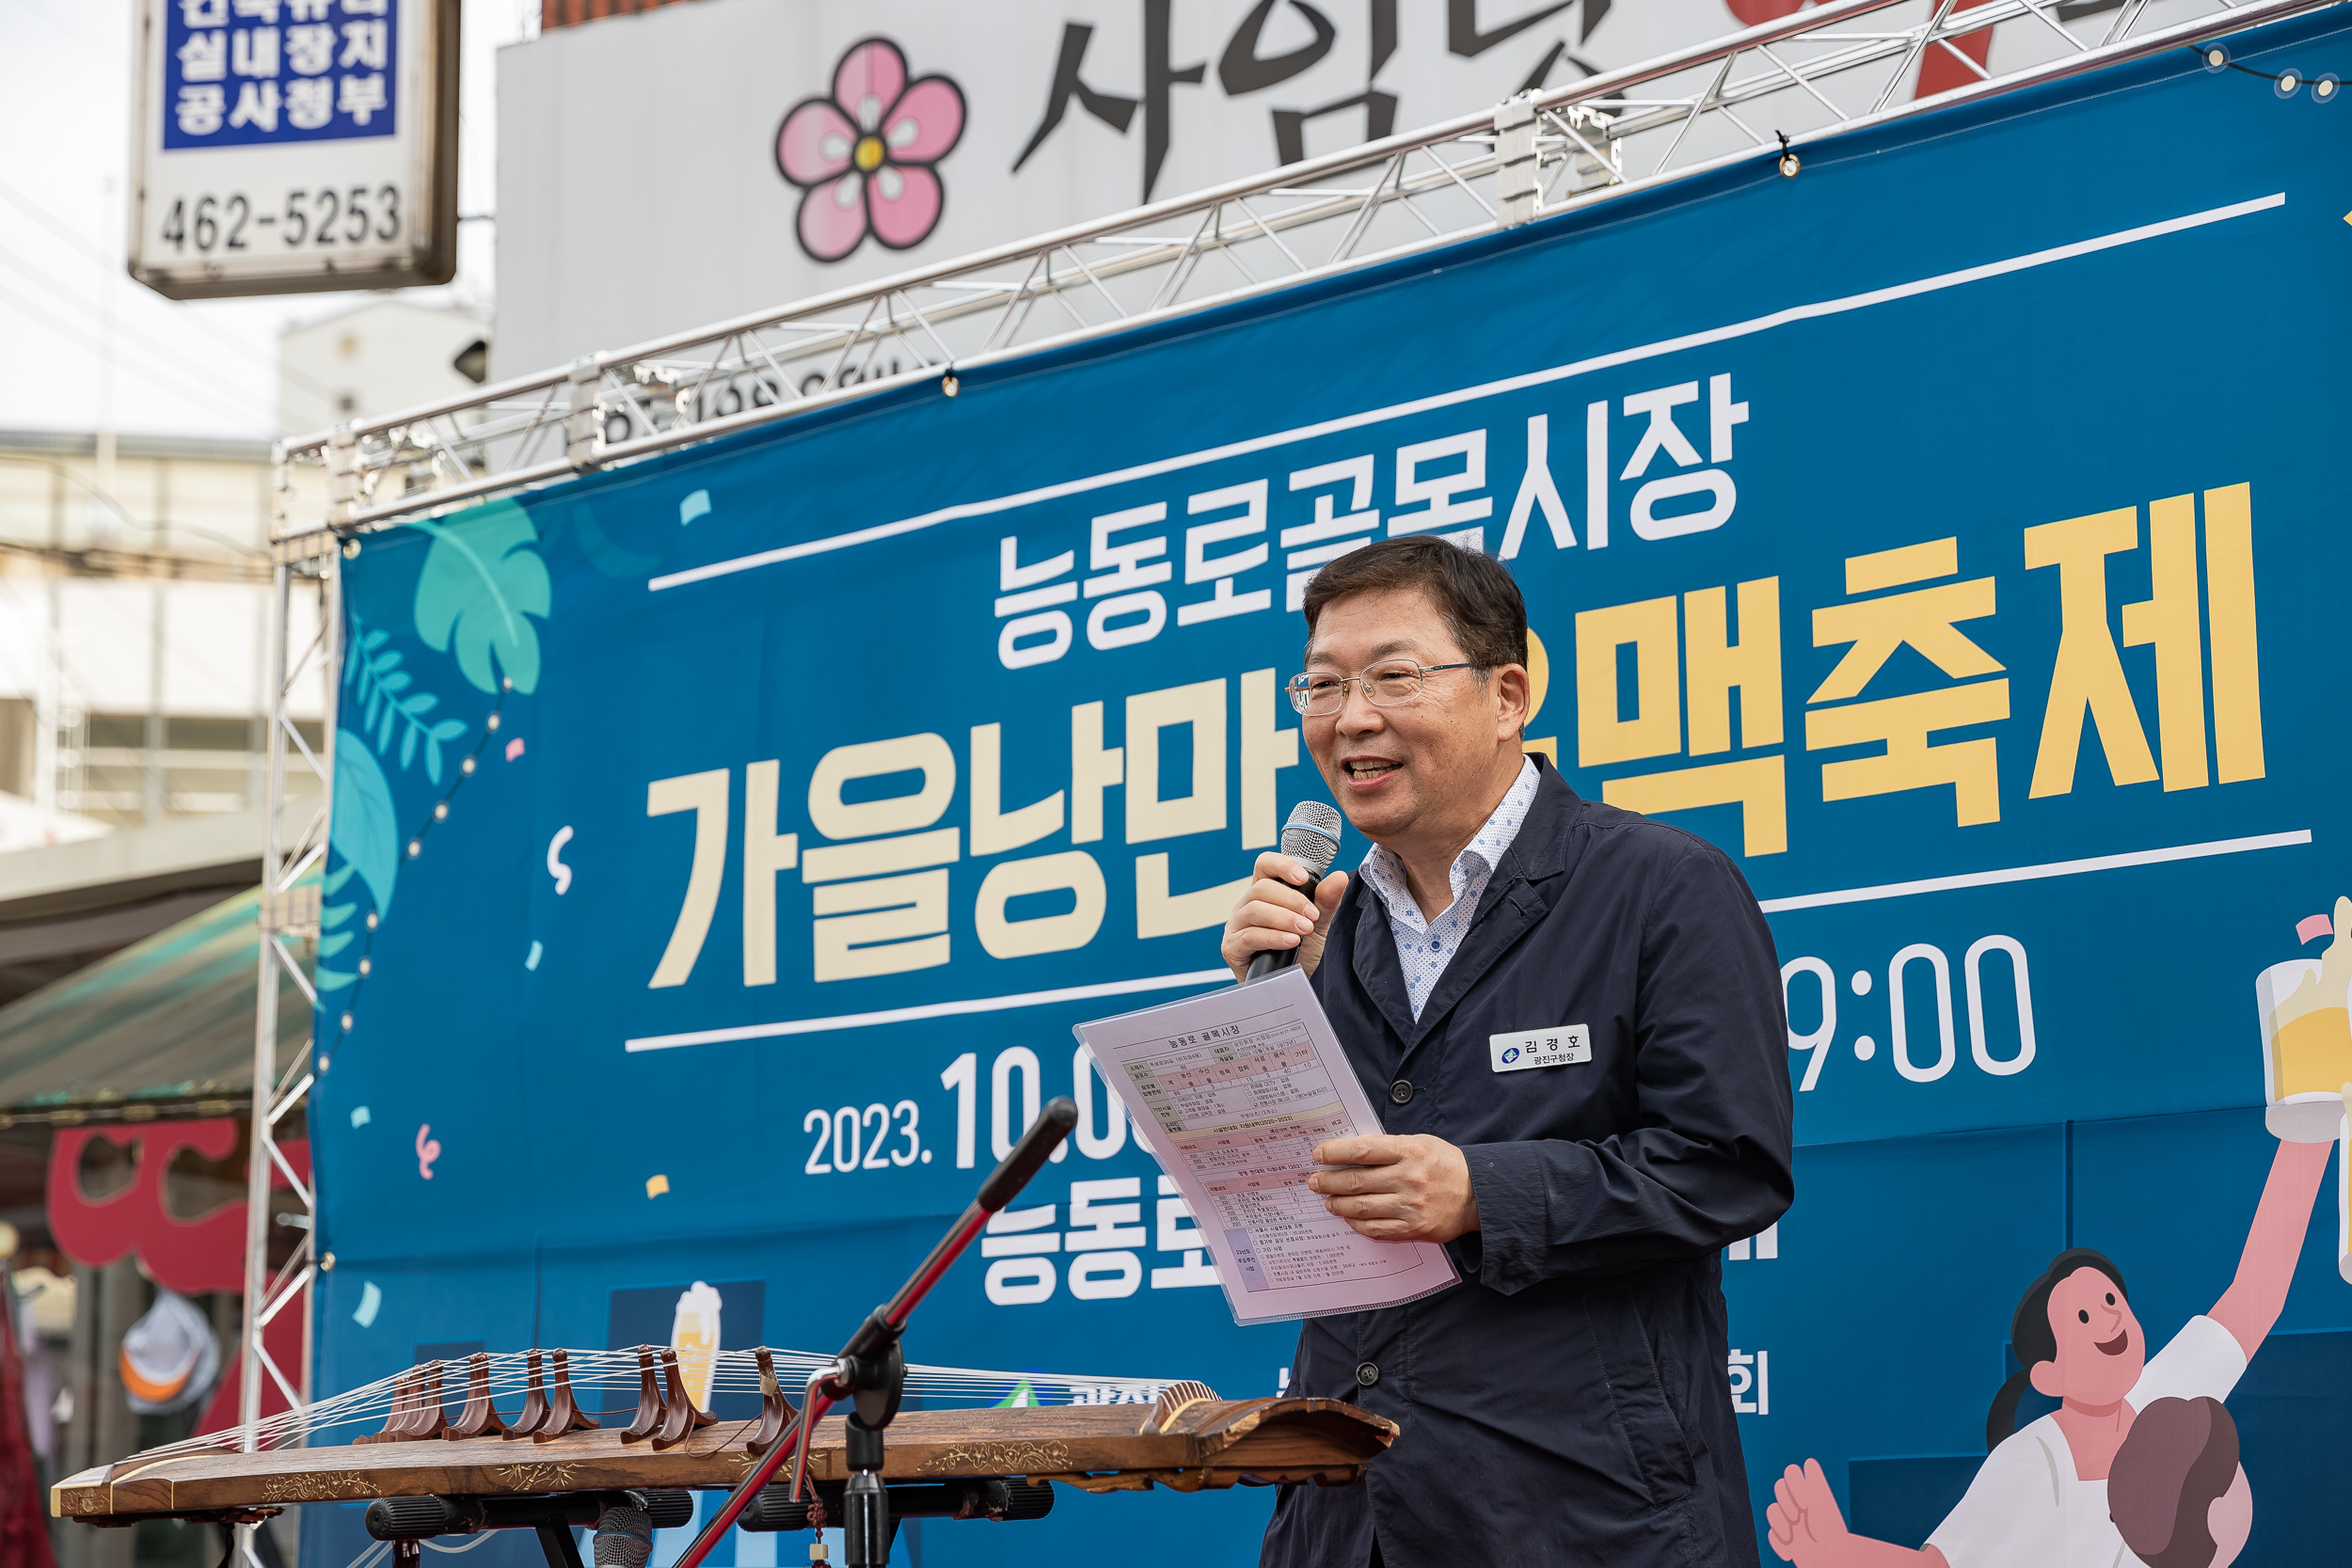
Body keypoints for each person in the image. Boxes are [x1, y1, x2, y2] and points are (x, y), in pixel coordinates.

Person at [1219, 535, 1796, 1568]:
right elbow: (1302, 1214)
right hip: (1350, 1523)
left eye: (1393, 674)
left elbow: (1728, 1161)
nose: (1350, 716)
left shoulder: (1660, 886)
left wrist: (1483, 1190)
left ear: (1507, 693)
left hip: (1583, 1518)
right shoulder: (1322, 933)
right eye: (1321, 683)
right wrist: (1273, 1025)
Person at [1762, 1135, 2330, 1568]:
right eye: (2084, 1315)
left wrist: (2310, 1130)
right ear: (2049, 1373)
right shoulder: (2033, 1465)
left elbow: (2260, 1292)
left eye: (2111, 1299)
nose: (2110, 1314)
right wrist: (1835, 1551)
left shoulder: (2167, 1397)